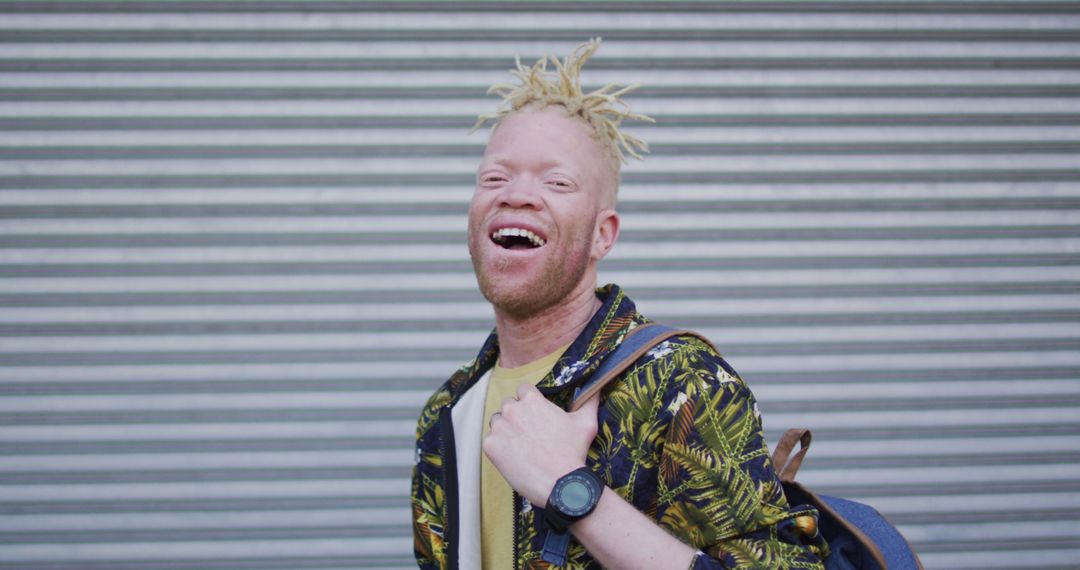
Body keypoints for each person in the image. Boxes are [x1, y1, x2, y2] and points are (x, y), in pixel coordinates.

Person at [411, 39, 829, 569]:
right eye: (494, 177)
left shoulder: (680, 383)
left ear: (602, 236)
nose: (515, 194)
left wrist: (572, 490)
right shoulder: (447, 413)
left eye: (557, 181)